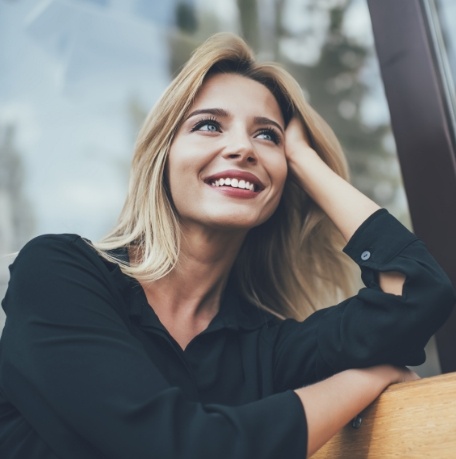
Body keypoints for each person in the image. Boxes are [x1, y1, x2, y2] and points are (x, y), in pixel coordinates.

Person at [0, 33, 454, 459]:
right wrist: (368, 378)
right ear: (164, 157)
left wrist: (306, 160)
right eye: (209, 126)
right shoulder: (59, 274)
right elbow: (176, 447)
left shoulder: (266, 347)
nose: (243, 147)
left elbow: (416, 294)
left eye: (266, 135)